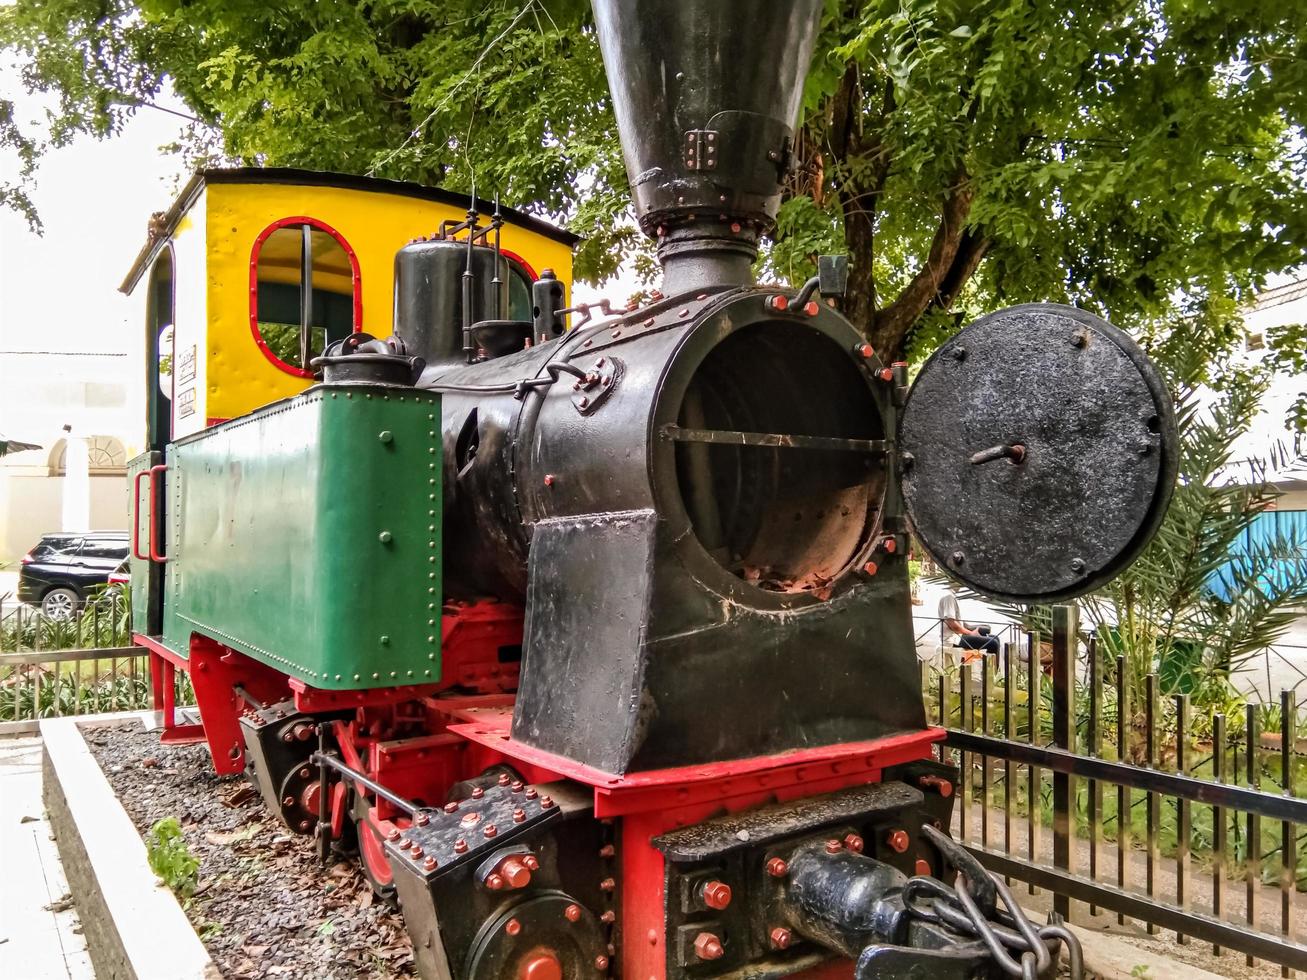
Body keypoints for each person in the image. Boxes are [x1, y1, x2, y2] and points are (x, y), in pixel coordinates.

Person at [938, 589, 999, 657]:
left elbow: (958, 621)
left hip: (958, 635)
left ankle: (997, 666)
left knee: (994, 636)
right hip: (953, 639)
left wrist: (972, 628)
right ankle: (992, 667)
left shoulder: (954, 596)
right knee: (993, 643)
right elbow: (952, 624)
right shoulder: (949, 597)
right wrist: (971, 633)